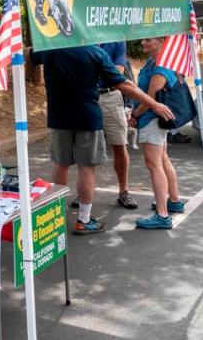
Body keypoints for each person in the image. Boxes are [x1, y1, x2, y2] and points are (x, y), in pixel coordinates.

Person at [34, 46, 174, 235]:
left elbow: (27, 52)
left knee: (61, 163)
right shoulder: (94, 53)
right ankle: (83, 219)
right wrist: (154, 104)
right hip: (87, 118)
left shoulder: (51, 48)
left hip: (59, 118)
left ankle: (54, 216)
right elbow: (124, 85)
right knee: (86, 167)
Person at [130, 38, 186, 230]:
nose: (143, 41)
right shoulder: (155, 62)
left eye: (148, 39)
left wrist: (135, 115)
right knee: (162, 160)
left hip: (151, 119)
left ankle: (162, 214)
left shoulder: (161, 66)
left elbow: (150, 100)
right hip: (154, 120)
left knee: (154, 164)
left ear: (161, 41)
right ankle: (174, 201)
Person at [96, 41, 137, 209]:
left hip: (110, 96)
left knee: (120, 144)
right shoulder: (82, 33)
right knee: (87, 145)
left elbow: (118, 72)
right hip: (86, 96)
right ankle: (85, 192)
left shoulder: (116, 39)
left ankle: (123, 191)